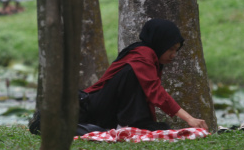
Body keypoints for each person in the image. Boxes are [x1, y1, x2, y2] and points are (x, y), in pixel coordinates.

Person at [78, 18, 209, 132]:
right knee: (131, 73)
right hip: (93, 110)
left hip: (104, 111)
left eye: (176, 50)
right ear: (160, 43)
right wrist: (189, 119)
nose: (174, 55)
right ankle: (127, 125)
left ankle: (132, 125)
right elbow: (155, 91)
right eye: (170, 49)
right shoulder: (143, 55)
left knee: (161, 128)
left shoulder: (150, 57)